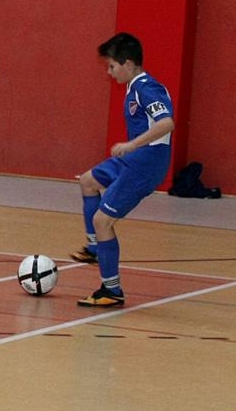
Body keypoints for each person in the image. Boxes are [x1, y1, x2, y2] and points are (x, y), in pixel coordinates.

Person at [72, 32, 174, 308]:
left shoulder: (146, 88)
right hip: (134, 159)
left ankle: (111, 290)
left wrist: (131, 145)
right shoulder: (135, 87)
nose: (109, 72)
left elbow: (166, 123)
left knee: (103, 221)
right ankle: (96, 248)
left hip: (145, 164)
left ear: (127, 64)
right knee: (88, 181)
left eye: (112, 66)